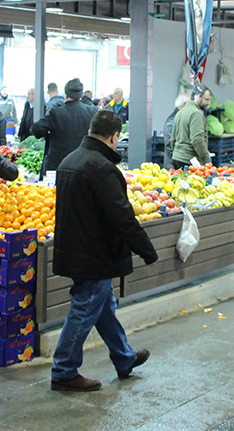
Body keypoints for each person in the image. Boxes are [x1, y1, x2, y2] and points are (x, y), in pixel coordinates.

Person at [50, 110, 157, 392]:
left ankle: (124, 358)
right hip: (94, 254)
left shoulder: (69, 161)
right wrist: (146, 249)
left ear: (89, 131)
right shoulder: (102, 168)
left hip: (74, 249)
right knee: (85, 308)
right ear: (114, 138)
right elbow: (122, 216)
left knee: (103, 306)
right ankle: (63, 370)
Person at [32, 78, 97, 176]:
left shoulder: (57, 113)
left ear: (66, 95)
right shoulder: (93, 112)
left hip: (59, 167)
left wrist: (47, 133)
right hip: (84, 167)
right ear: (81, 95)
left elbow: (36, 129)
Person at [171, 87, 213, 167]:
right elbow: (197, 139)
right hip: (189, 160)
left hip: (177, 158)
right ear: (198, 97)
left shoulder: (180, 112)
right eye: (206, 99)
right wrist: (206, 160)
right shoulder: (196, 114)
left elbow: (173, 139)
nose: (208, 103)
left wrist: (176, 154)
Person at [163, 94, 190, 169]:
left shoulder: (182, 119)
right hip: (173, 167)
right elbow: (170, 145)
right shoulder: (172, 122)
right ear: (184, 104)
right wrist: (179, 162)